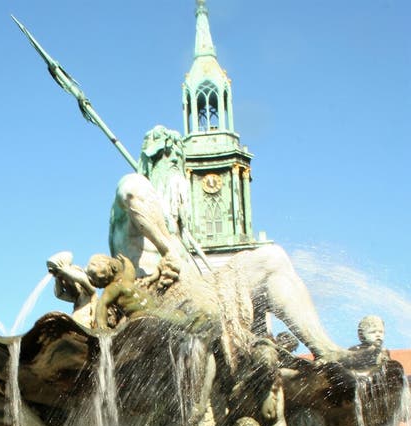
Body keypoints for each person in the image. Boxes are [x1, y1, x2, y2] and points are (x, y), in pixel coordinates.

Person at [110, 125, 347, 359]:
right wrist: (168, 249)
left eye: (178, 159)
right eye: (165, 156)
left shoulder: (174, 222)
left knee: (272, 258)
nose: (173, 162)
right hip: (157, 294)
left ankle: (325, 350)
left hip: (199, 290)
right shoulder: (136, 184)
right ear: (150, 161)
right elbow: (132, 195)